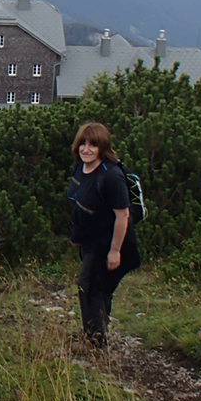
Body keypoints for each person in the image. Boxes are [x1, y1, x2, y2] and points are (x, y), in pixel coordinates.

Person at [67, 121, 140, 348]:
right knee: (98, 289)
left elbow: (123, 216)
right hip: (91, 243)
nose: (86, 149)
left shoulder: (111, 176)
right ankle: (99, 333)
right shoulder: (81, 168)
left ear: (103, 147)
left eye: (93, 145)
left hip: (112, 243)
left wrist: (115, 251)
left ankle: (96, 343)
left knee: (88, 287)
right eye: (83, 143)